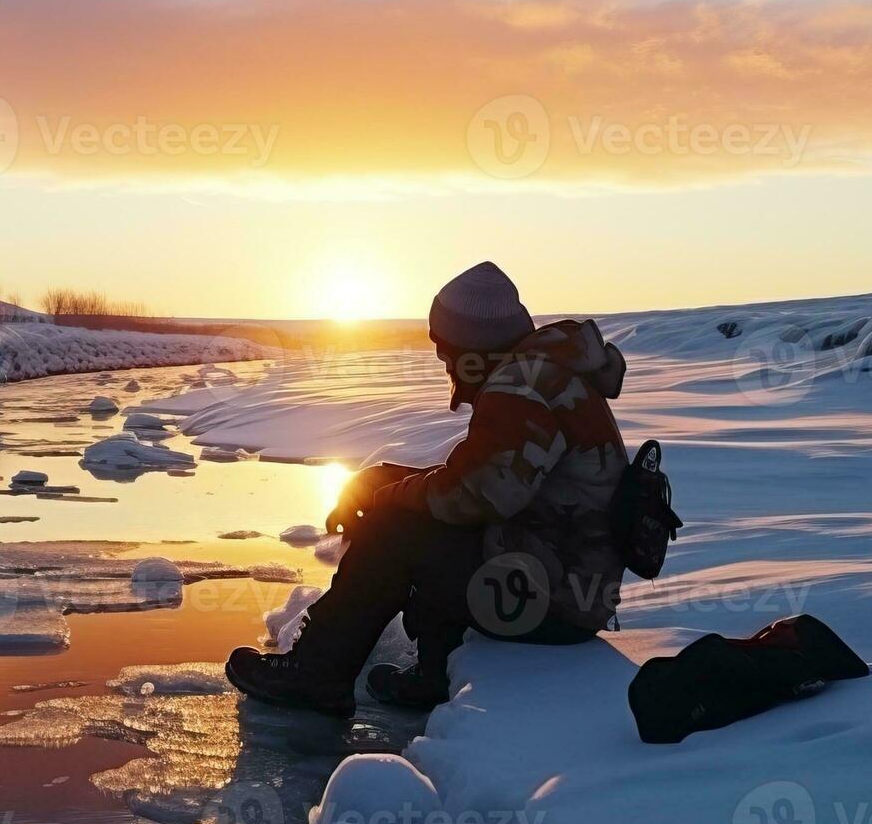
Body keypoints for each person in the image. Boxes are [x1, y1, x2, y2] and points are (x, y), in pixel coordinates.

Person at [226, 262, 631, 715]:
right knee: (417, 516)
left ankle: (317, 674)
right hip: (558, 585)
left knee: (394, 529)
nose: (445, 365)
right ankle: (434, 675)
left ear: (471, 346)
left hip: (550, 604)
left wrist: (386, 498)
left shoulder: (524, 387)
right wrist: (388, 479)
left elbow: (476, 497)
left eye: (446, 352)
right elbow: (487, 478)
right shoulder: (541, 375)